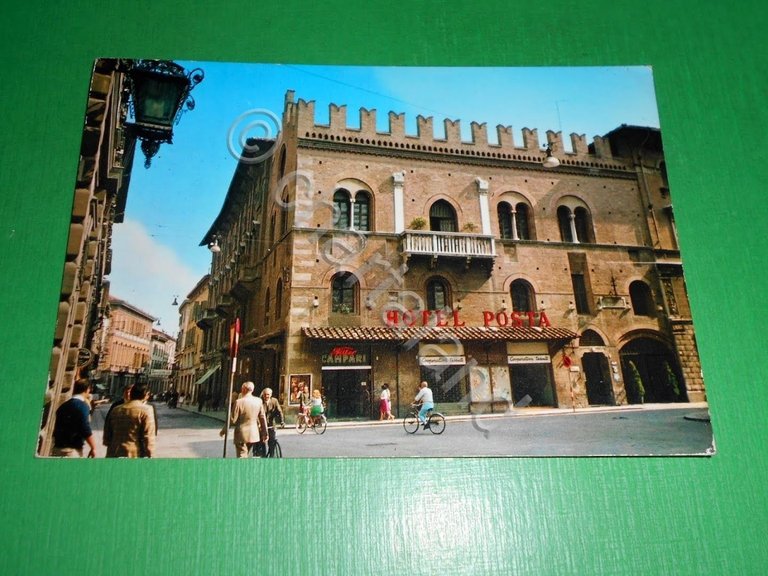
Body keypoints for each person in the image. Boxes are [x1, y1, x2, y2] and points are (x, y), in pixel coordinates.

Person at [103, 384, 156, 458]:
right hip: (134, 453)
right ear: (145, 394)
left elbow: (107, 433)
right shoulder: (146, 410)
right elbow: (148, 437)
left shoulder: (116, 409)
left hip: (114, 452)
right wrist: (151, 455)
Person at [221, 382, 268, 458]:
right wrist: (265, 432)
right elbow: (262, 417)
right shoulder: (258, 401)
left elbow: (232, 420)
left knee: (242, 455)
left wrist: (224, 430)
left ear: (244, 389)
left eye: (242, 388)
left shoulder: (239, 402)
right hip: (253, 434)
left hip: (241, 434)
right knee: (245, 454)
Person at [51, 378, 97, 458]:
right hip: (71, 451)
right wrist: (93, 447)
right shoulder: (82, 406)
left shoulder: (63, 406)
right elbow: (85, 427)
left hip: (57, 448)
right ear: (87, 390)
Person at [260, 387, 284, 457]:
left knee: (272, 441)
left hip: (271, 424)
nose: (266, 396)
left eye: (268, 394)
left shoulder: (274, 401)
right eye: (265, 394)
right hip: (261, 424)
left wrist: (282, 421)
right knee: (262, 442)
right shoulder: (260, 401)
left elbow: (279, 411)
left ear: (270, 395)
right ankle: (262, 455)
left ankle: (272, 456)